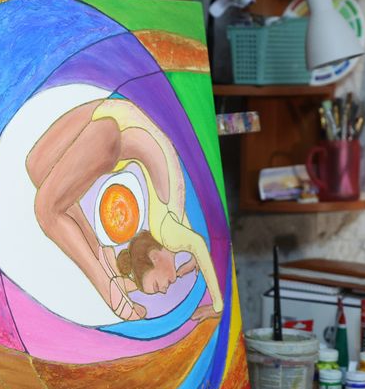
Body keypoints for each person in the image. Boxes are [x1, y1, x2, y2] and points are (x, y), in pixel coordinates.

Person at [26, 97, 223, 322]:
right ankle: (112, 296)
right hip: (110, 133)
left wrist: (193, 261)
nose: (164, 291)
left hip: (108, 116)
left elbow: (195, 244)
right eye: (157, 285)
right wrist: (217, 306)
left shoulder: (174, 224)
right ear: (155, 257)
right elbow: (198, 244)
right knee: (46, 211)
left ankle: (101, 256)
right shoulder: (169, 234)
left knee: (37, 168)